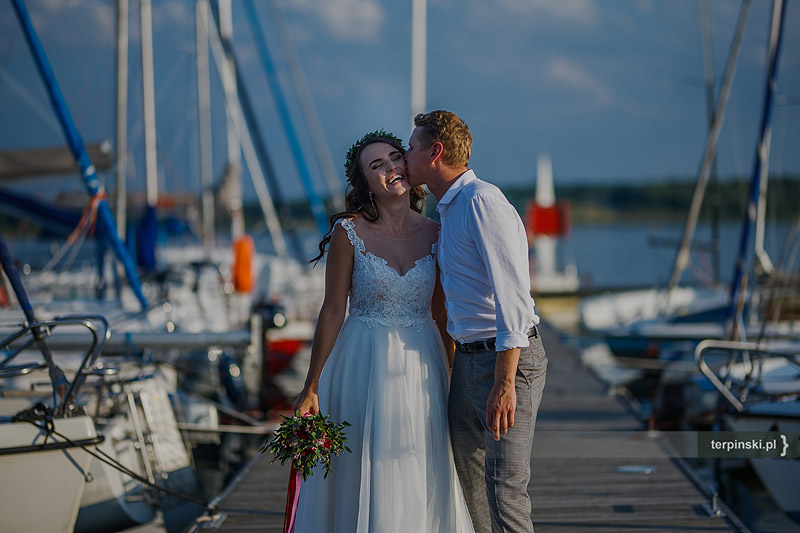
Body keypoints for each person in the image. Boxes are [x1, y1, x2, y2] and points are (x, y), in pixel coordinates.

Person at [292, 130, 474, 532]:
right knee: (364, 464)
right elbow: (333, 309)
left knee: (417, 461)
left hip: (423, 365)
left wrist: (451, 374)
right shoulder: (349, 233)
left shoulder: (437, 233)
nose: (391, 167)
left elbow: (442, 314)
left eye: (395, 158)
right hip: (362, 362)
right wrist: (311, 385)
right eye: (377, 165)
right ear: (366, 184)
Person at [406, 110, 548, 532]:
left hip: (508, 362)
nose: (404, 156)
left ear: (435, 152)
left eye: (411, 148)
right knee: (471, 488)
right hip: (468, 360)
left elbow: (515, 302)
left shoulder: (482, 201)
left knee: (505, 488)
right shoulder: (450, 210)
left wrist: (505, 384)